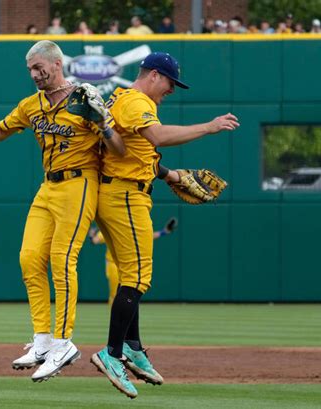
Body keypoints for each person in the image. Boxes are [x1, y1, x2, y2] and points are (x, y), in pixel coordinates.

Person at [0, 40, 125, 383]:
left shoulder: (84, 98)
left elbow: (120, 149)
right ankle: (42, 340)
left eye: (40, 68)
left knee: (61, 257)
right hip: (48, 187)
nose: (35, 75)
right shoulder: (31, 105)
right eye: (30, 71)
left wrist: (105, 123)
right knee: (29, 256)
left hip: (80, 182)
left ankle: (63, 342)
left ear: (57, 64)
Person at [90, 51, 239, 398]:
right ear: (155, 75)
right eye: (171, 82)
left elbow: (139, 150)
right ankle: (111, 354)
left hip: (122, 190)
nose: (172, 90)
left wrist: (169, 175)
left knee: (131, 275)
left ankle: (132, 347)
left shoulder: (126, 100)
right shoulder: (136, 100)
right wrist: (210, 126)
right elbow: (157, 136)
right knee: (139, 277)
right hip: (125, 195)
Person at [88, 217, 178, 305]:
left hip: (128, 264)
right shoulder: (111, 229)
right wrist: (91, 235)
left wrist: (164, 232)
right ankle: (115, 315)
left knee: (129, 292)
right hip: (113, 264)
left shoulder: (130, 230)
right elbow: (95, 241)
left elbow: (149, 236)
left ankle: (124, 315)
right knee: (115, 292)